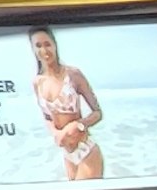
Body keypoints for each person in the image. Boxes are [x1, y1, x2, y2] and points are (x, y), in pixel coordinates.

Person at [31, 26, 107, 181]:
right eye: (38, 46)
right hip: (67, 155)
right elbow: (47, 117)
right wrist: (56, 133)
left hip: (86, 150)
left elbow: (98, 113)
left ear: (55, 45)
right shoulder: (37, 82)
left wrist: (78, 125)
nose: (44, 50)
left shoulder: (73, 75)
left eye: (47, 44)